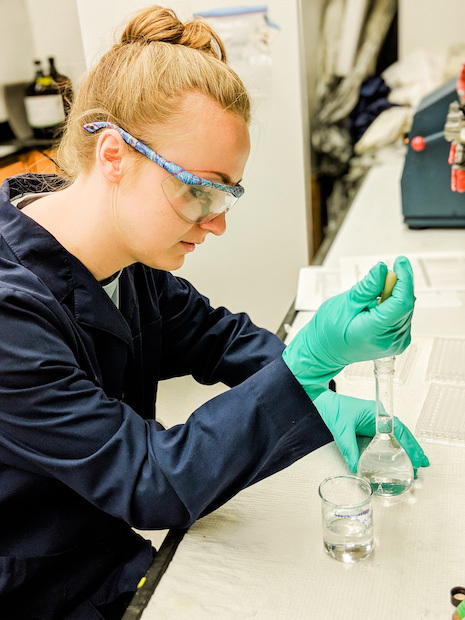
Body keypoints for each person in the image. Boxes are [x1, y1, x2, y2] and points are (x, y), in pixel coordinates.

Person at [0, 5, 428, 619]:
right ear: (115, 155)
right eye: (199, 189)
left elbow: (219, 338)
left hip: (104, 549)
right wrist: (310, 363)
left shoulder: (125, 259)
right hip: (34, 588)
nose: (218, 222)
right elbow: (149, 479)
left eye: (228, 192)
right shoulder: (11, 311)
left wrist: (317, 385)